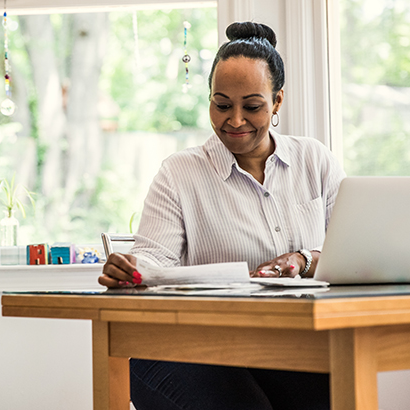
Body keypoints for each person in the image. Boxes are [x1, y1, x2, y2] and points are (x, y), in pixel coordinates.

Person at [99, 21, 345, 410]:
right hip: (189, 346)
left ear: (277, 101)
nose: (234, 121)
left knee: (336, 395)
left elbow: (348, 252)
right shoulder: (179, 173)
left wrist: (303, 259)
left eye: (252, 106)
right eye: (222, 104)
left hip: (290, 344)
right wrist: (132, 269)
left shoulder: (315, 160)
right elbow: (156, 261)